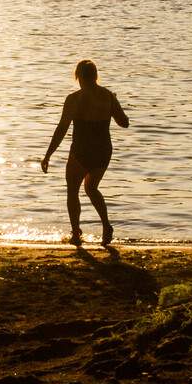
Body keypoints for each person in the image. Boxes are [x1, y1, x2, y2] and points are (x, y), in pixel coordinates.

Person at [40, 59, 130, 246]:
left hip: (81, 149)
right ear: (96, 76)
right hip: (103, 150)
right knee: (91, 188)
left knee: (73, 191)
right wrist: (114, 107)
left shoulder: (74, 99)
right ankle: (106, 225)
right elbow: (124, 123)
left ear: (78, 77)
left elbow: (62, 129)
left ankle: (75, 232)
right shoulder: (108, 96)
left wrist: (48, 155)